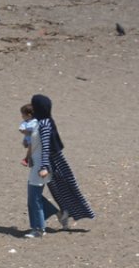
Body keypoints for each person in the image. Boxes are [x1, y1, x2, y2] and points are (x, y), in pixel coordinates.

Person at [32, 94, 96, 230]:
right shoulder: (48, 120)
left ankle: (64, 212)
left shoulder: (43, 124)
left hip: (52, 162)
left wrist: (44, 166)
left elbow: (46, 146)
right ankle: (64, 213)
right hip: (57, 159)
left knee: (59, 189)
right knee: (64, 189)